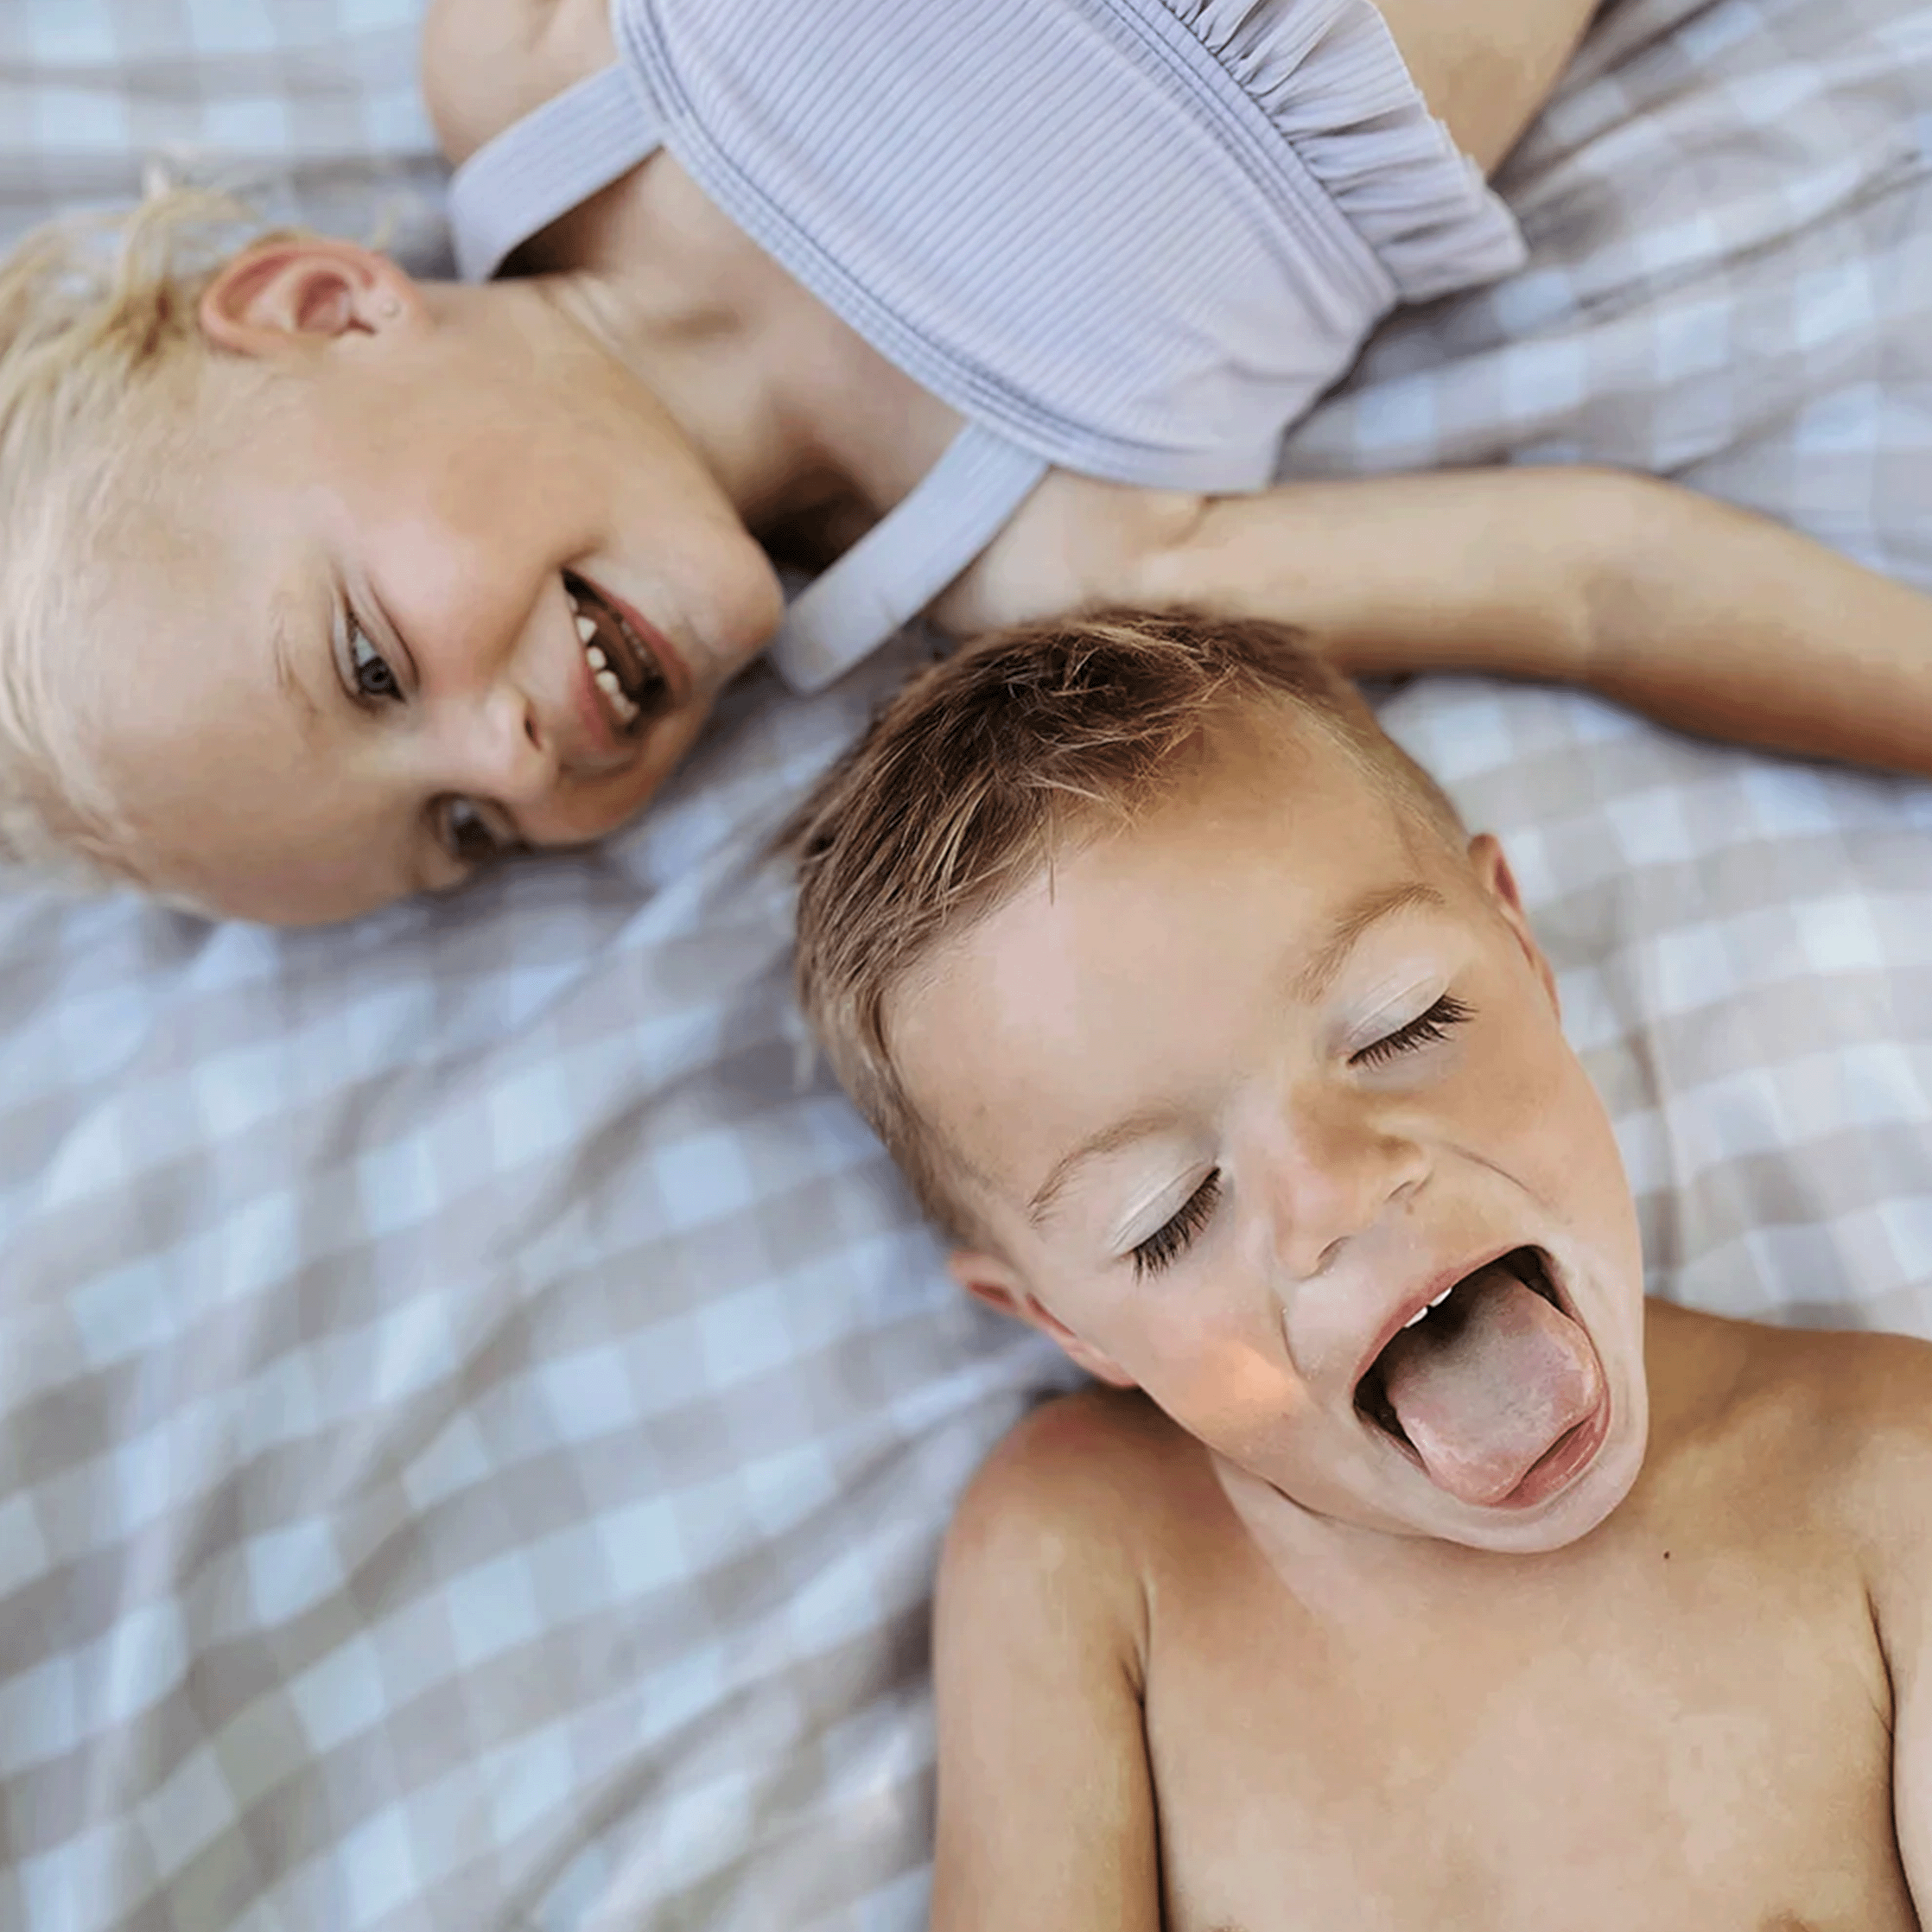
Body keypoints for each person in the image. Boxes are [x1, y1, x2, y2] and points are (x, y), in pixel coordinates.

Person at [3, 0, 1931, 923]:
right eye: (461, 834)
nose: (506, 761)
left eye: (368, 665)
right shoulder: (1059, 565)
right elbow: (1601, 580)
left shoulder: (546, 65)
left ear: (321, 304)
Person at [788, 609, 1932, 1929]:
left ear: (1522, 952)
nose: (1335, 1194)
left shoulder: (1885, 1478)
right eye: (1169, 1215)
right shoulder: (1082, 1559)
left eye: (1402, 1026)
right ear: (1063, 1324)